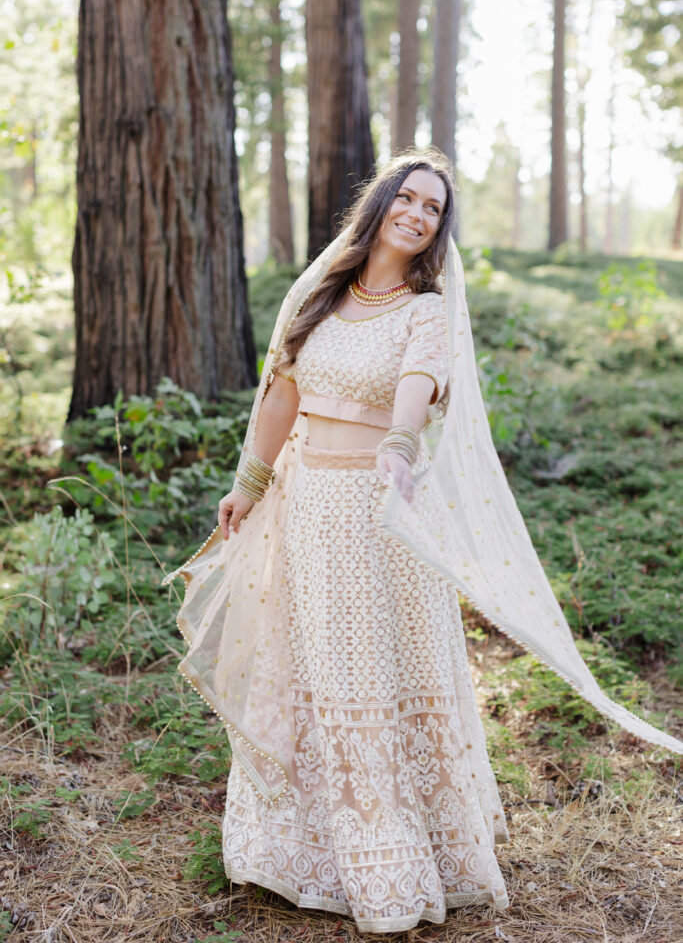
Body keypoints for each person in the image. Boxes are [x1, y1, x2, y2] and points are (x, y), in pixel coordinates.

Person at [161, 148, 682, 935]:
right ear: (379, 207)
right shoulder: (321, 292)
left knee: (366, 670)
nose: (416, 214)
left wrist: (398, 453)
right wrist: (249, 483)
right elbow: (282, 392)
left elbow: (417, 390)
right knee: (309, 665)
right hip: (306, 508)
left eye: (432, 208)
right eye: (406, 198)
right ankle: (295, 848)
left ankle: (389, 856)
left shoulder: (424, 309)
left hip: (379, 512)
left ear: (438, 229)